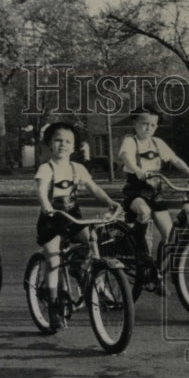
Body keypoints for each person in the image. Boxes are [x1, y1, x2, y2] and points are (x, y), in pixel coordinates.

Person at [35, 122, 120, 330]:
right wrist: (46, 206)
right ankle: (54, 302)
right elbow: (41, 189)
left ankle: (82, 270)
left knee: (93, 241)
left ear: (74, 147)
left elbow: (94, 188)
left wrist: (110, 202)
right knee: (53, 257)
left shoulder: (77, 168)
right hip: (52, 220)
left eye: (67, 141)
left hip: (72, 216)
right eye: (57, 140)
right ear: (49, 144)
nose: (62, 145)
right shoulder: (46, 168)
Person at [118, 104, 189, 295]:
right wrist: (138, 170)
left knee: (170, 236)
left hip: (156, 192)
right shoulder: (130, 141)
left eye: (153, 125)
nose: (148, 128)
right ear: (135, 123)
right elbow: (125, 157)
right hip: (136, 191)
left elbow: (175, 160)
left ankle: (155, 271)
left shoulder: (157, 143)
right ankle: (141, 253)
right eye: (144, 124)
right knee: (143, 212)